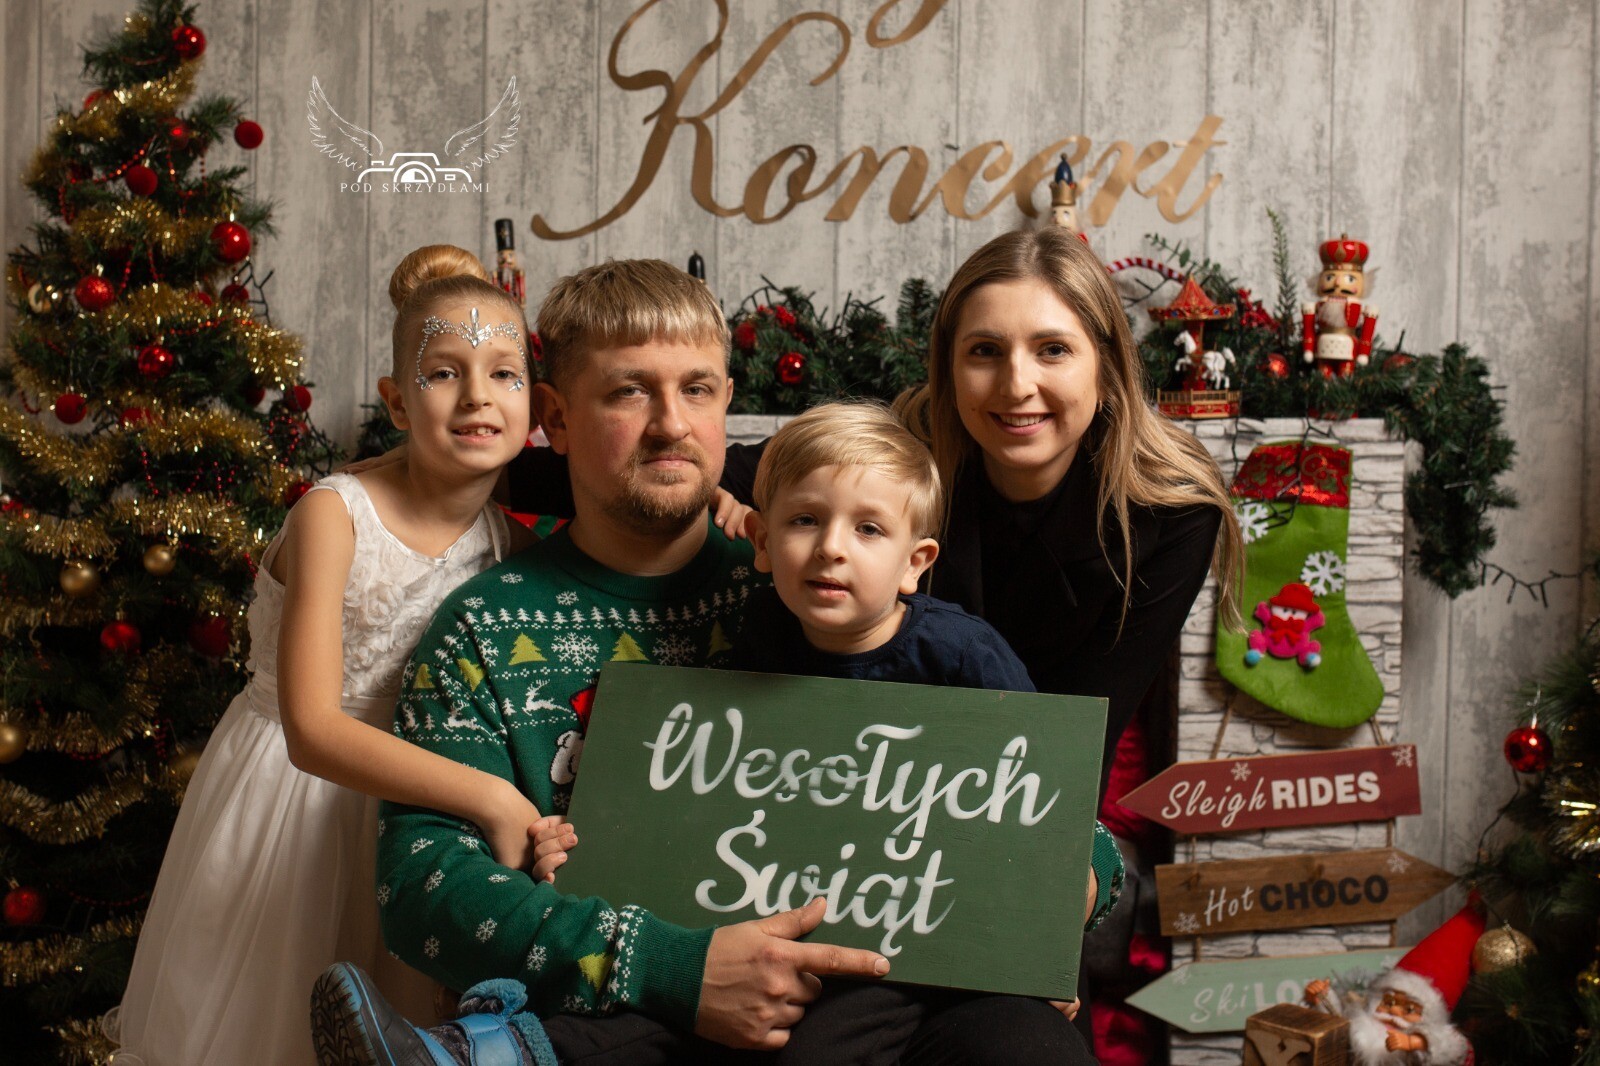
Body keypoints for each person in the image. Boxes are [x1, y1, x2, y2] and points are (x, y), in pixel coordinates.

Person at [312, 258, 890, 1066]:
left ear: (726, 401)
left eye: (697, 390)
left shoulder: (810, 594)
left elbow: (939, 780)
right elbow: (423, 887)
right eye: (629, 392)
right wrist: (663, 966)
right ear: (554, 416)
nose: (671, 425)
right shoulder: (486, 625)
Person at [110, 245, 557, 1066]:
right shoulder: (336, 515)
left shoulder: (512, 550)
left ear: (534, 404)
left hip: (417, 821)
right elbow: (311, 729)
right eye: (443, 373)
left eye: (504, 374)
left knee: (389, 1035)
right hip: (295, 801)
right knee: (273, 1029)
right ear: (396, 401)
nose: (477, 396)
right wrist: (493, 799)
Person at [727, 400, 1119, 1064]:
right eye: (804, 520)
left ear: (916, 561)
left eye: (868, 529)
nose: (831, 547)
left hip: (957, 928)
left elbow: (1045, 799)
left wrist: (1039, 950)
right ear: (762, 542)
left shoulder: (962, 655)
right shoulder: (759, 635)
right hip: (829, 931)